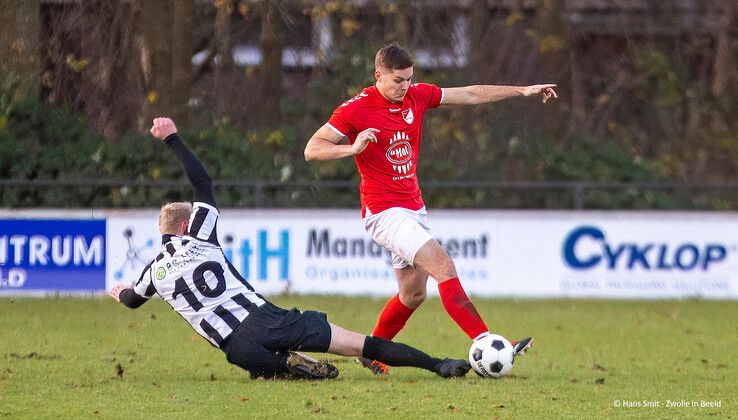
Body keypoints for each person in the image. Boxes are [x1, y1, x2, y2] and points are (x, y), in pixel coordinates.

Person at [110, 117, 471, 380]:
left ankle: (286, 366)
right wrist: (172, 138)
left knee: (266, 367)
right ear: (186, 226)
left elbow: (132, 299)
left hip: (237, 350)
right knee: (363, 345)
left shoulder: (153, 272)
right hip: (268, 321)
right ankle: (437, 365)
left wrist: (120, 291)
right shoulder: (200, 234)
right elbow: (202, 182)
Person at [305, 43, 557, 374]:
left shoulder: (417, 96)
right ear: (378, 75)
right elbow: (313, 148)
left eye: (408, 79)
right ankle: (487, 342)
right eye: (397, 80)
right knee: (443, 265)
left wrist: (523, 90)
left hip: (413, 209)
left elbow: (468, 94)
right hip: (384, 212)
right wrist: (351, 148)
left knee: (412, 294)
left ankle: (370, 350)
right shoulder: (357, 108)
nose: (404, 87)